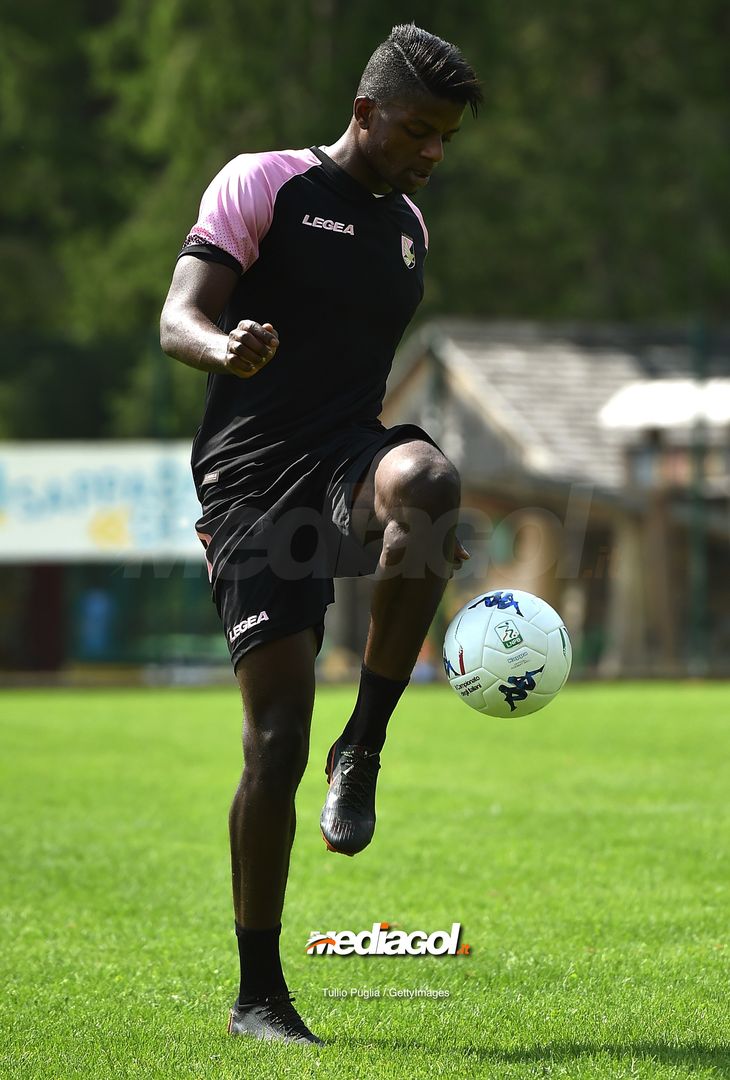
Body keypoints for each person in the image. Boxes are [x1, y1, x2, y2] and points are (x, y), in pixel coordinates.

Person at [160, 22, 481, 1046]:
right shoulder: (262, 184)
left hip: (348, 457)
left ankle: (368, 744)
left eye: (446, 139)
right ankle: (259, 995)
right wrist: (226, 347)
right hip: (251, 481)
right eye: (419, 131)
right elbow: (178, 316)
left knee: (426, 482)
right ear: (364, 113)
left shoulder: (409, 229)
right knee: (272, 741)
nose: (432, 153)